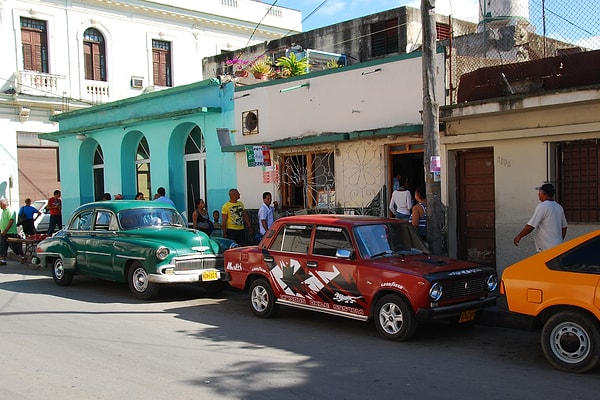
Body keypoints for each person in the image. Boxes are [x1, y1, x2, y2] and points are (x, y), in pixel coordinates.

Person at [513, 183, 568, 252]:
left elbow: (531, 226)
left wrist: (519, 236)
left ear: (544, 193)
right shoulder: (559, 207)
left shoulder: (542, 206)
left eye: (539, 192)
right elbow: (564, 227)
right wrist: (559, 240)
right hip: (558, 246)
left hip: (547, 248)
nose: (538, 194)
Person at [0, 198, 25, 264]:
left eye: (0, 204)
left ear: (2, 204)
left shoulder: (10, 210)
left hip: (10, 232)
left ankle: (23, 256)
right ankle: (2, 260)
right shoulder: (3, 211)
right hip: (3, 232)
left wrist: (6, 230)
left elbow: (11, 220)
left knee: (15, 247)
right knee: (2, 246)